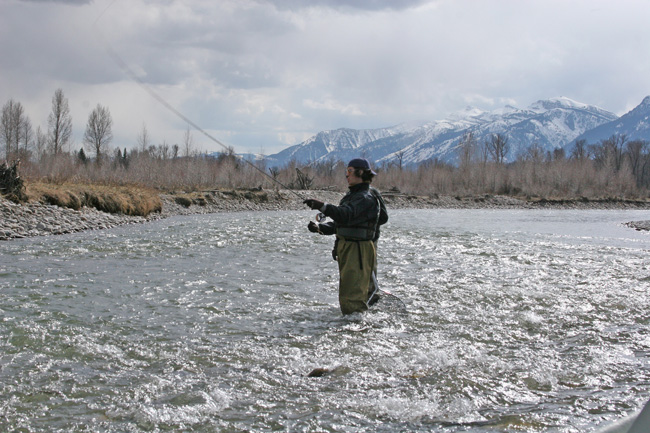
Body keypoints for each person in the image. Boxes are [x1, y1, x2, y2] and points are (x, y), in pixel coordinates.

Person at [304, 158, 388, 314]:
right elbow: (341, 224)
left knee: (353, 297)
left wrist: (322, 206)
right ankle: (354, 324)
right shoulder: (352, 196)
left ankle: (357, 329)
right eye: (346, 171)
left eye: (349, 171)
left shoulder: (366, 197)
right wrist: (320, 228)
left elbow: (345, 215)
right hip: (348, 248)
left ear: (361, 173)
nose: (346, 175)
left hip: (358, 250)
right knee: (348, 293)